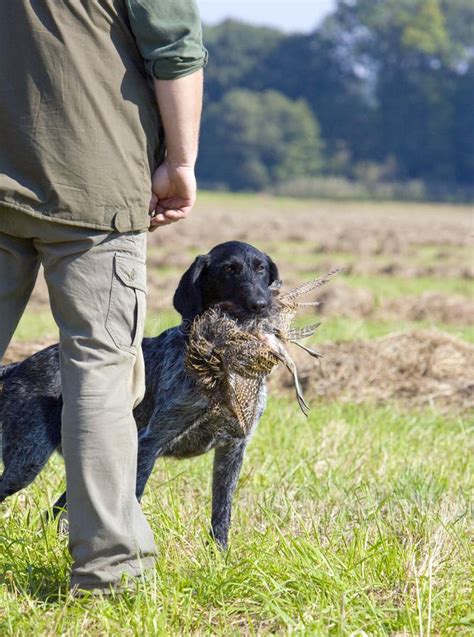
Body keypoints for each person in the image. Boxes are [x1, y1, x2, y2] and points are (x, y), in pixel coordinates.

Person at [0, 1, 207, 593]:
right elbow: (175, 52)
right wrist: (181, 160)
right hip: (94, 184)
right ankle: (110, 571)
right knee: (100, 376)